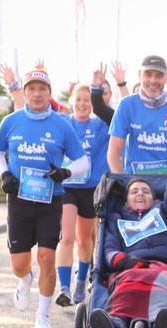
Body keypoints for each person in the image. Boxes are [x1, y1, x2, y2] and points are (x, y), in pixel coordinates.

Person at [0, 65, 89, 328]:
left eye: (42, 89)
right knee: (19, 264)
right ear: (25, 92)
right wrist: (5, 174)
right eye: (32, 89)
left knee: (47, 257)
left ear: (49, 93)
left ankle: (43, 316)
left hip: (50, 201)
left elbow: (83, 160)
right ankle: (25, 281)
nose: (37, 94)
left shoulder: (61, 124)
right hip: (19, 201)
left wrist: (66, 171)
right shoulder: (10, 122)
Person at [89, 177, 167, 328]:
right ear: (126, 201)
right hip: (128, 268)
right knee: (126, 284)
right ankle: (117, 325)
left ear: (154, 198)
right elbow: (109, 249)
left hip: (162, 267)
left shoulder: (164, 213)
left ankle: (161, 326)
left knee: (162, 284)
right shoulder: (116, 219)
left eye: (146, 191)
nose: (140, 194)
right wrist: (123, 260)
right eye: (134, 191)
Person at [55, 84, 111, 307]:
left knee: (85, 240)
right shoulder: (64, 123)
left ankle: (81, 281)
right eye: (78, 99)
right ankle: (65, 288)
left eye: (86, 100)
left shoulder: (100, 125)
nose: (82, 104)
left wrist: (102, 89)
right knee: (67, 237)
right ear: (71, 101)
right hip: (68, 187)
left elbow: (121, 119)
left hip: (91, 188)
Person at [107, 55, 167, 176]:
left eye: (159, 75)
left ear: (166, 77)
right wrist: (121, 183)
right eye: (148, 74)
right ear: (139, 75)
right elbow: (114, 152)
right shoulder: (126, 105)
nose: (153, 80)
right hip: (137, 185)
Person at [89, 61, 130, 126]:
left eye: (104, 93)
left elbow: (128, 110)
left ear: (110, 94)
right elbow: (98, 107)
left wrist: (122, 84)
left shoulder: (113, 117)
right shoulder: (86, 118)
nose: (101, 97)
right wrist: (96, 87)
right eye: (99, 93)